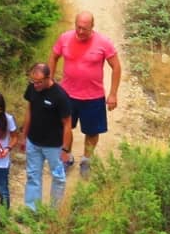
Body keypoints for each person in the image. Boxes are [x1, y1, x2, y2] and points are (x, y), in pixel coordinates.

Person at [52, 11, 121, 171]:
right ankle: (66, 157)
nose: (81, 31)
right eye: (78, 27)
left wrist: (113, 94)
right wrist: (49, 81)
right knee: (64, 127)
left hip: (93, 97)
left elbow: (116, 66)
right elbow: (54, 56)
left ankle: (86, 160)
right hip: (67, 95)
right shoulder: (65, 38)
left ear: (92, 27)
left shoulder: (103, 42)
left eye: (85, 28)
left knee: (92, 131)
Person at [20, 63, 74, 209]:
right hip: (34, 143)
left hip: (54, 147)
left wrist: (65, 150)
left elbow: (67, 124)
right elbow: (29, 111)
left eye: (39, 82)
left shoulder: (60, 96)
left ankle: (53, 212)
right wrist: (23, 136)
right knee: (33, 176)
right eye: (33, 81)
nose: (35, 85)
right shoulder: (32, 88)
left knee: (58, 177)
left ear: (48, 78)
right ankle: (32, 209)